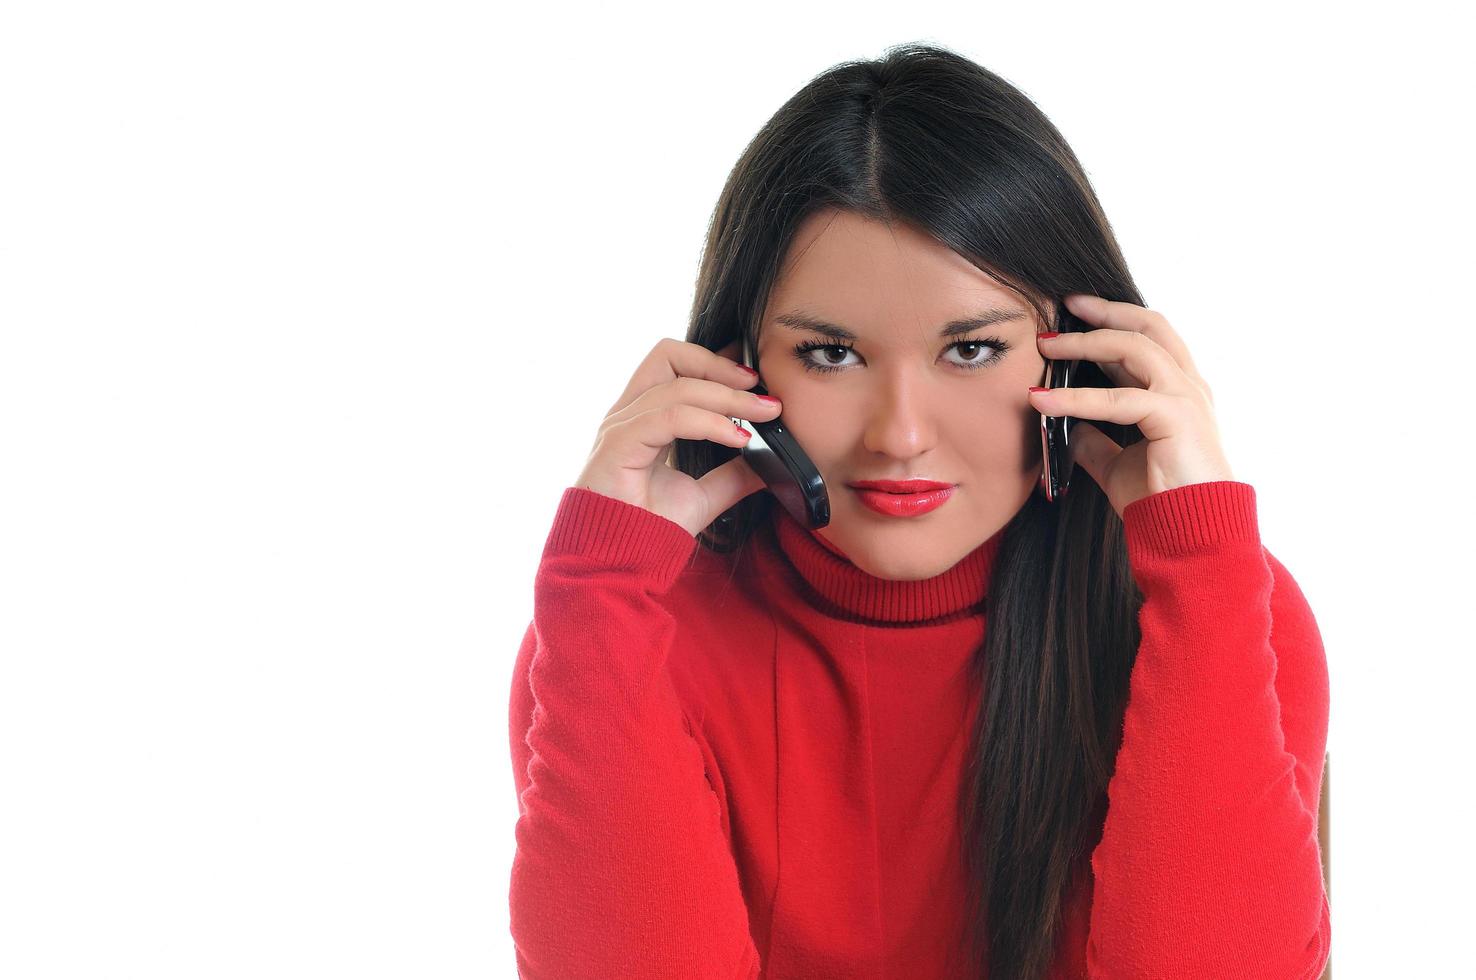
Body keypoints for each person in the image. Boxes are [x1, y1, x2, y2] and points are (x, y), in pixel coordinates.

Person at [507, 42, 1330, 980]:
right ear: (739, 364)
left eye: (971, 351)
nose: (899, 436)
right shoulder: (617, 630)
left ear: (1078, 357)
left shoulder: (1219, 612)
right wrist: (597, 580)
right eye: (830, 354)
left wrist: (1203, 560)